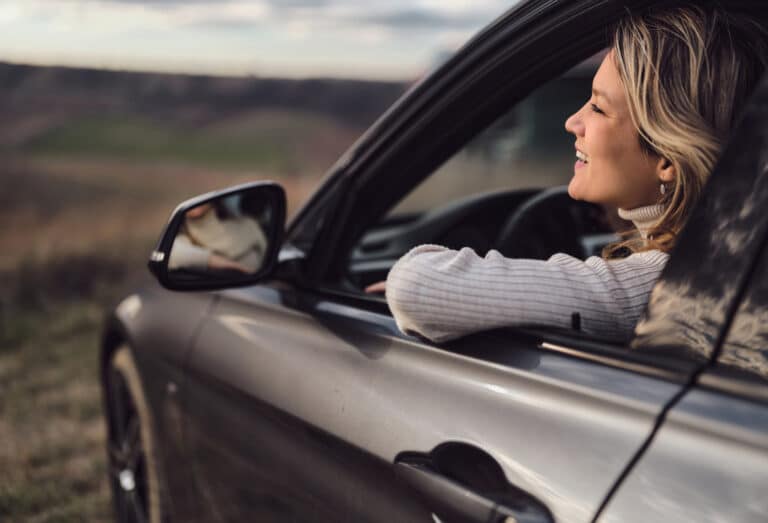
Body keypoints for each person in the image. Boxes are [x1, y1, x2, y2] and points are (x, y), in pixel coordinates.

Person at [366, 6, 768, 343]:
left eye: (598, 108)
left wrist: (456, 288)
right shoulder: (731, 264)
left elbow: (416, 288)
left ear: (667, 156)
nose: (572, 122)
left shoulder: (654, 287)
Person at [168, 200, 268, 274]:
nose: (195, 198)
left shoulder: (248, 225)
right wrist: (236, 267)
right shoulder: (180, 236)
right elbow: (171, 254)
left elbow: (269, 264)